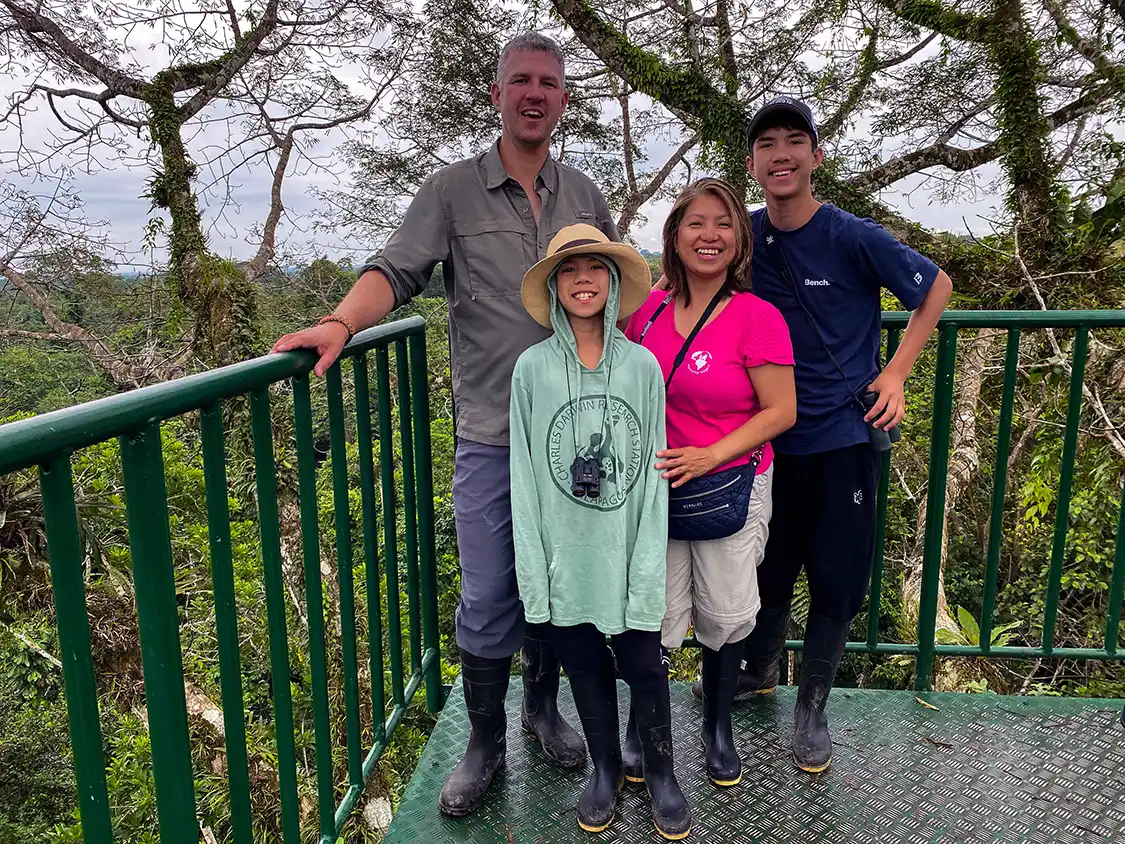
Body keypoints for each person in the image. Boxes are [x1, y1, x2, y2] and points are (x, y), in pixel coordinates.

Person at [271, 32, 620, 817]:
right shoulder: (451, 190)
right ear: (496, 94)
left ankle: (540, 710)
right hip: (494, 435)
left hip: (579, 436)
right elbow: (396, 269)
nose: (535, 94)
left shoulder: (585, 196)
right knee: (492, 589)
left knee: (560, 588)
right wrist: (338, 322)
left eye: (549, 84)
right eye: (521, 81)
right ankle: (484, 740)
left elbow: (617, 291)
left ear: (564, 101)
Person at [715, 96, 954, 774]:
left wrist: (897, 372)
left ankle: (812, 703)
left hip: (840, 439)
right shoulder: (743, 237)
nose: (781, 153)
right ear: (752, 163)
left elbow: (934, 287)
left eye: (795, 141)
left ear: (816, 157)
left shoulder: (851, 236)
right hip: (763, 441)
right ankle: (760, 669)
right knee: (763, 566)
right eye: (767, 144)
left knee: (835, 576)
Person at [509, 224, 691, 839]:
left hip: (626, 552)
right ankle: (607, 767)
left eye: (594, 267)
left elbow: (654, 476)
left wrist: (645, 561)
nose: (582, 279)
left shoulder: (642, 368)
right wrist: (537, 572)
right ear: (555, 287)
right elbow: (524, 478)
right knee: (582, 661)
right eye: (568, 270)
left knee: (645, 662)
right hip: (566, 558)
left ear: (613, 282)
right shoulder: (531, 370)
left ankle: (660, 769)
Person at [627, 178, 797, 788]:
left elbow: (781, 410)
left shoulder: (757, 317)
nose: (710, 235)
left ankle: (717, 728)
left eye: (723, 223)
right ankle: (644, 726)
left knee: (723, 612)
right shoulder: (645, 310)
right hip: (656, 488)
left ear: (739, 239)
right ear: (674, 235)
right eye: (696, 222)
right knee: (656, 610)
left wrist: (708, 455)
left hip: (730, 482)